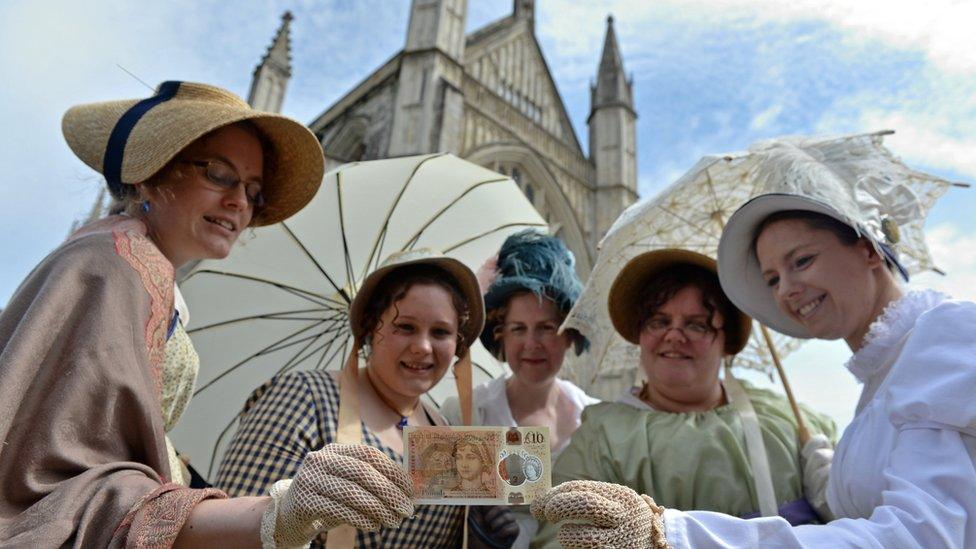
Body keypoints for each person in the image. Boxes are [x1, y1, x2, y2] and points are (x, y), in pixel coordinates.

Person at [0, 81, 420, 548]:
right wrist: (279, 512)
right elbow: (62, 483)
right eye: (220, 174)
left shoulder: (144, 269)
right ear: (150, 172)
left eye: (254, 190)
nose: (240, 202)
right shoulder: (115, 266)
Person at [533, 148, 976, 547]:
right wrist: (839, 484)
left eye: (801, 260)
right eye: (771, 279)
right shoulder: (879, 380)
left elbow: (926, 534)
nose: (788, 289)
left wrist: (674, 534)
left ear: (868, 249)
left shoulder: (942, 339)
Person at [533, 248, 837, 548]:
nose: (675, 336)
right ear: (640, 334)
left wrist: (842, 492)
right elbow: (561, 536)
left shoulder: (792, 421)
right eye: (659, 322)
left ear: (727, 340)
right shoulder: (601, 438)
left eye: (696, 324)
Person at [215, 248, 518, 547]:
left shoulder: (448, 434)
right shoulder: (304, 398)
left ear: (458, 343)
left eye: (440, 332)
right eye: (405, 327)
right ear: (371, 328)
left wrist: (481, 527)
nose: (423, 347)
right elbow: (229, 536)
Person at [441, 230, 599, 548]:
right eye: (518, 329)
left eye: (546, 328)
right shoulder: (464, 412)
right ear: (500, 335)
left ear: (569, 334)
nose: (531, 344)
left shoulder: (596, 421)